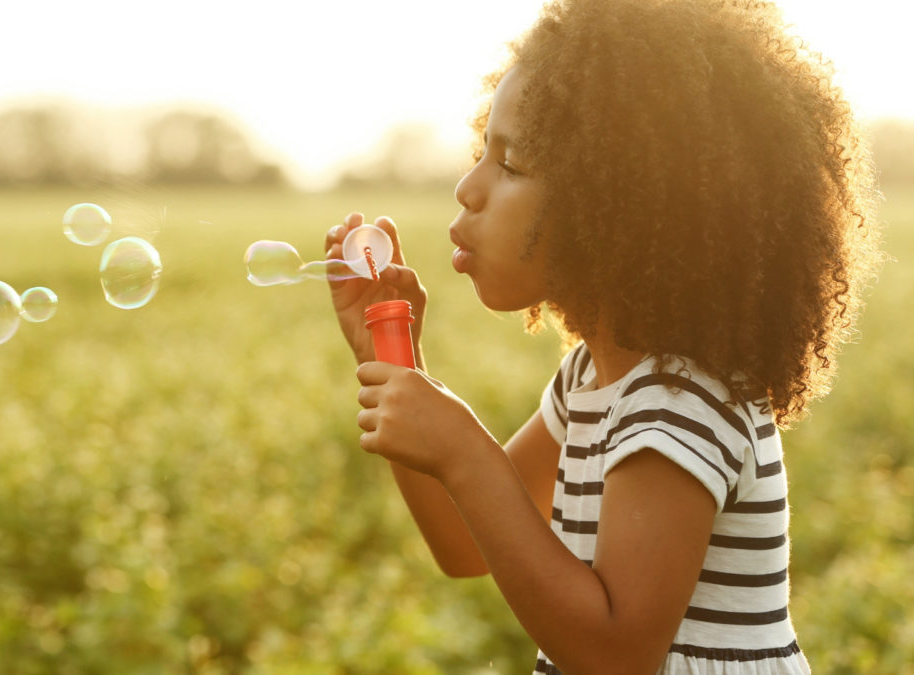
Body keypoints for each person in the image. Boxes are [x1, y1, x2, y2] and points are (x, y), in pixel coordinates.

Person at [322, 0, 883, 672]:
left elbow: (616, 654)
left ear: (620, 206)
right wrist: (394, 355)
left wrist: (466, 447)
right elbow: (463, 545)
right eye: (482, 153)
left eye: (512, 164)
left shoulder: (681, 398)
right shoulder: (591, 380)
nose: (468, 188)